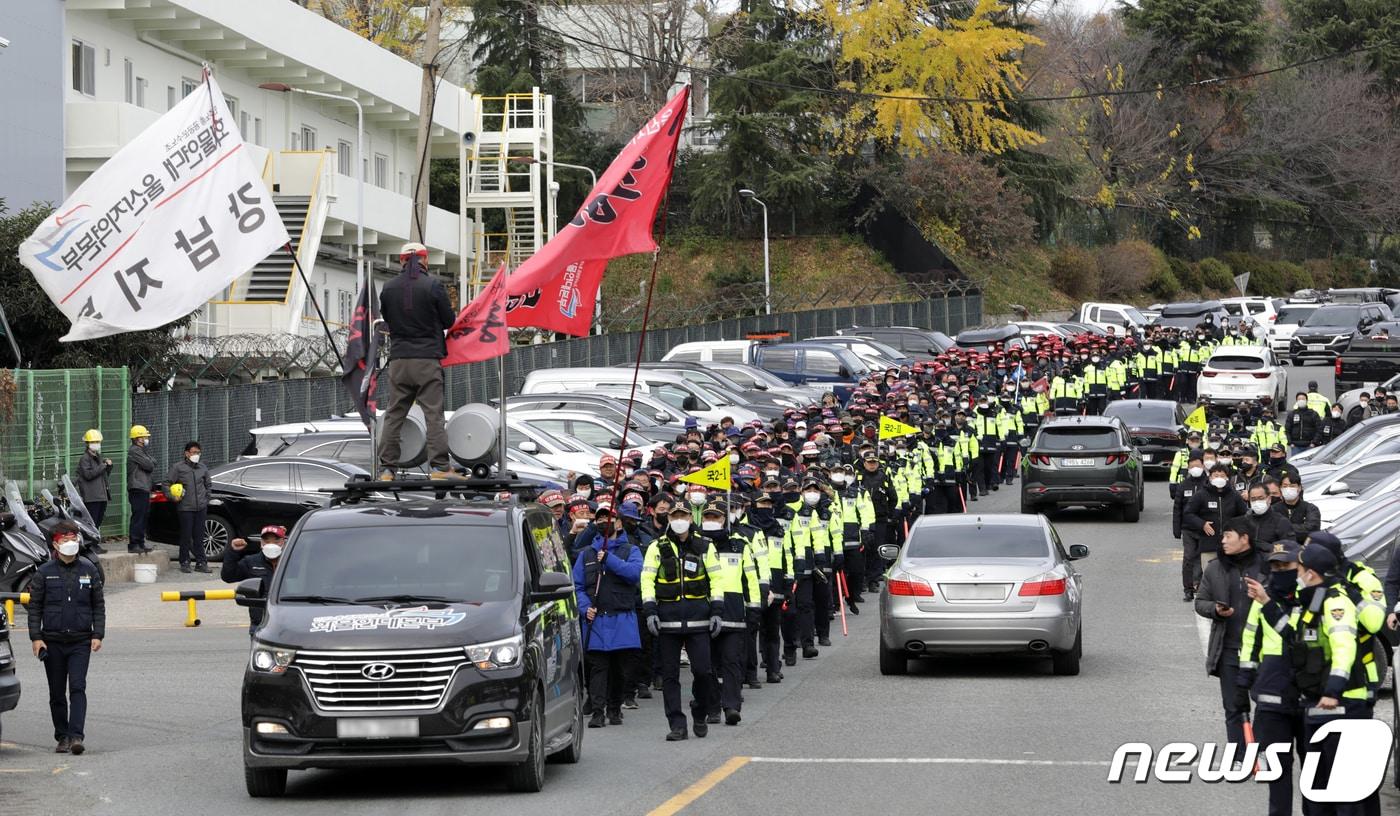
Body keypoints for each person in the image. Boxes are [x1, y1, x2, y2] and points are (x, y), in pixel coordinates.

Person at [1290, 544, 1379, 816]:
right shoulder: (1313, 599)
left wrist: (1332, 690)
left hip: (1341, 704)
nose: (1297, 573)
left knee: (1344, 787)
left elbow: (1344, 648)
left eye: (1300, 568)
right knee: (1318, 784)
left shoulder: (1335, 601)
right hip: (1317, 704)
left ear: (1312, 573)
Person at [641, 505, 724, 741]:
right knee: (670, 676)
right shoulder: (656, 547)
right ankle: (677, 724)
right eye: (674, 516)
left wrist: (717, 610)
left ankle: (699, 711)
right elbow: (646, 579)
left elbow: (717, 579)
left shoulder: (705, 546)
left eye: (683, 516)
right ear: (668, 518)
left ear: (690, 518)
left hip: (699, 620)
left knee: (703, 672)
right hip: (667, 621)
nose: (679, 520)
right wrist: (650, 611)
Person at [376, 242, 456, 480]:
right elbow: (449, 320)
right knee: (433, 414)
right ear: (425, 260)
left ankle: (387, 469)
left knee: (394, 413)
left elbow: (387, 319)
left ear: (401, 261)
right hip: (427, 359)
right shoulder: (433, 285)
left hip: (399, 359)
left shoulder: (388, 288)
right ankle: (440, 467)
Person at [1239, 541, 1305, 816]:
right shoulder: (1262, 598)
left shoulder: (1312, 596)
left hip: (1307, 698)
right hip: (1271, 699)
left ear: (1300, 566)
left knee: (1317, 773)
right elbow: (1251, 638)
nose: (1280, 571)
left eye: (1286, 565)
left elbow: (1298, 638)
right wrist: (1243, 681)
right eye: (1275, 566)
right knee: (1275, 774)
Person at [27, 521, 105, 755]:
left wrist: (98, 633)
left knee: (78, 687)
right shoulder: (44, 572)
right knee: (57, 692)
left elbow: (98, 605)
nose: (71, 544)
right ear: (55, 544)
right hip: (52, 641)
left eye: (74, 539)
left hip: (81, 641)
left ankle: (76, 736)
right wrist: (36, 638)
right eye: (65, 540)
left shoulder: (89, 569)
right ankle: (62, 736)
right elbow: (35, 608)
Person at [1193, 517, 1265, 748]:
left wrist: (1266, 599)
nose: (1222, 540)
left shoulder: (1266, 566)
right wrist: (1215, 610)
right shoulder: (1216, 568)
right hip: (1229, 650)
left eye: (1228, 536)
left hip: (1262, 651)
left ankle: (1263, 752)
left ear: (1245, 539)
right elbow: (1200, 602)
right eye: (1222, 536)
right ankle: (1238, 755)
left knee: (1265, 705)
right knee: (1234, 706)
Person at [574, 505, 643, 729]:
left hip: (622, 618)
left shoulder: (630, 550)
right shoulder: (586, 554)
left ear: (619, 523)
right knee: (597, 668)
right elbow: (577, 586)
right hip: (597, 620)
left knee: (619, 668)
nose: (605, 521)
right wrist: (585, 608)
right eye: (601, 517)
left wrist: (609, 560)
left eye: (610, 517)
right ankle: (597, 711)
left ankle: (615, 708)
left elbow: (634, 574)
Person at [700, 501, 761, 726]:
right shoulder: (696, 545)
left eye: (716, 517)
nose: (711, 521)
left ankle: (731, 706)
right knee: (708, 666)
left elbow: (750, 579)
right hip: (704, 613)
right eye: (708, 517)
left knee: (732, 662)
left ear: (724, 520)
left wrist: (754, 608)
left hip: (735, 613)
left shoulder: (740, 545)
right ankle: (713, 707)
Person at [1183, 464, 1247, 595]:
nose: (1219, 478)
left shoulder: (1234, 495)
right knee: (1211, 576)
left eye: (1222, 475)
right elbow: (1188, 513)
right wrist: (1202, 524)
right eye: (1216, 475)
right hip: (1208, 544)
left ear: (1228, 478)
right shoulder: (1201, 495)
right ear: (1210, 477)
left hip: (1230, 546)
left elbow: (1244, 515)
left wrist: (1235, 529)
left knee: (1231, 576)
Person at [223, 525, 286, 631]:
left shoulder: (293, 562)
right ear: (261, 543)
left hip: (287, 623)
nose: (271, 545)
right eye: (266, 541)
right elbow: (228, 576)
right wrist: (233, 552)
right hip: (260, 625)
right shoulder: (251, 562)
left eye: (276, 541)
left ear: (283, 542)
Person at [166, 441, 212, 574]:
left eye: (198, 452)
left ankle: (201, 562)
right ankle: (185, 562)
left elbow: (208, 484)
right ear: (186, 453)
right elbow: (166, 483)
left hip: (201, 507)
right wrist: (172, 497)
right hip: (185, 507)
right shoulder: (178, 468)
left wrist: (206, 498)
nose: (196, 455)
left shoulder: (202, 467)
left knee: (199, 535)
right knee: (186, 536)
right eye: (193, 452)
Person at [1172, 452, 1207, 602]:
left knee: (1203, 559)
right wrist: (1177, 529)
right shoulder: (1183, 485)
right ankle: (1188, 589)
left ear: (1203, 465)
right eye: (1192, 466)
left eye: (1198, 465)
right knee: (1188, 558)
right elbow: (1177, 508)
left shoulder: (1209, 484)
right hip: (1188, 529)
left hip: (1206, 528)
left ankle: (1200, 585)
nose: (1195, 468)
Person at [73, 429, 111, 549]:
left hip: (101, 494)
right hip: (91, 496)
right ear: (88, 443)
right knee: (91, 522)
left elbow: (102, 474)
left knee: (97, 522)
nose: (97, 444)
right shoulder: (85, 458)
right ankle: (91, 545)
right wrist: (103, 466)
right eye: (94, 441)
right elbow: (88, 475)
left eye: (98, 441)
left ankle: (95, 544)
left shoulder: (97, 457)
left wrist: (108, 466)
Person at [125, 425, 155, 554]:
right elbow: (149, 464)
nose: (146, 439)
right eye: (144, 436)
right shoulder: (135, 451)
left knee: (143, 515)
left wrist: (149, 461)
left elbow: (153, 461)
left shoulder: (141, 451)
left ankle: (140, 542)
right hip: (138, 487)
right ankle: (134, 543)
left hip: (144, 487)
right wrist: (149, 461)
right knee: (138, 515)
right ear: (138, 438)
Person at [1275, 473, 1320, 544]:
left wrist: (1283, 529)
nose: (1288, 489)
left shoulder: (1310, 508)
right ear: (1280, 488)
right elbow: (1270, 530)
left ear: (1299, 488)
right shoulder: (1274, 509)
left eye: (1292, 486)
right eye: (1285, 486)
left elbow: (1312, 529)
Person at [1245, 483, 1291, 547]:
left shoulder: (1281, 522)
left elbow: (1290, 548)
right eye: (1253, 499)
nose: (1257, 502)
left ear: (1269, 499)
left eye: (1261, 498)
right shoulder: (1245, 521)